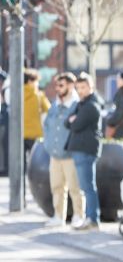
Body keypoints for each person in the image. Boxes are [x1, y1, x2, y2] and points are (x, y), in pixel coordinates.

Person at [43, 73, 84, 227]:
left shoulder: (77, 104)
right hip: (55, 154)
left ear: (71, 85)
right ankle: (58, 215)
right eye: (57, 86)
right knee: (57, 186)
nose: (58, 89)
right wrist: (48, 144)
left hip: (70, 154)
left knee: (75, 187)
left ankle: (79, 215)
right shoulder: (55, 104)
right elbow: (47, 125)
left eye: (61, 85)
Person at [65, 73, 104, 231]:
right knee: (86, 186)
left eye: (83, 87)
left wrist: (73, 120)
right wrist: (72, 120)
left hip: (85, 150)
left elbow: (75, 125)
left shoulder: (90, 106)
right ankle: (90, 218)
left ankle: (92, 220)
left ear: (91, 87)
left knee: (88, 187)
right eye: (78, 88)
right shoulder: (81, 104)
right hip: (80, 150)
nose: (80, 91)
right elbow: (66, 121)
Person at [23, 68, 50, 175]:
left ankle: (21, 187)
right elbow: (49, 109)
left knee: (21, 163)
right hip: (35, 133)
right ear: (30, 81)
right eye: (36, 81)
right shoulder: (38, 96)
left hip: (20, 133)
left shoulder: (17, 93)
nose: (37, 84)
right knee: (36, 161)